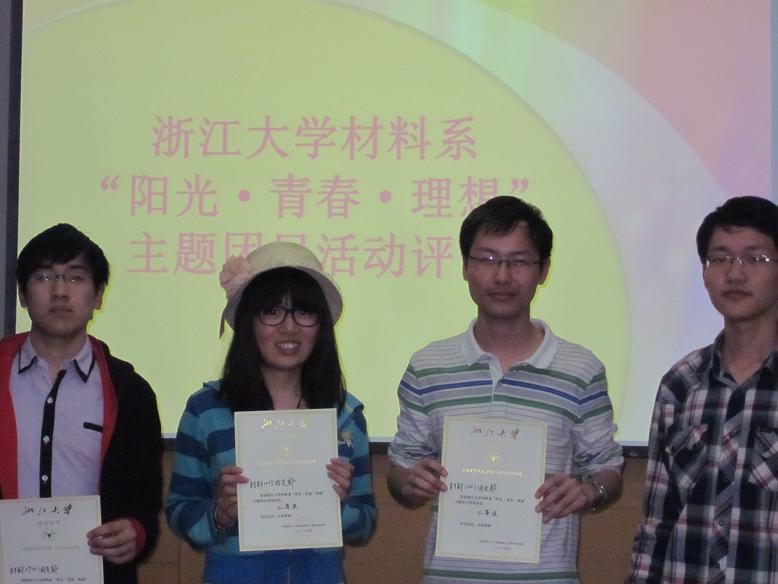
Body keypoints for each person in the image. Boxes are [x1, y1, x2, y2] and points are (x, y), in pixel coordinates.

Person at [387, 196, 624, 583]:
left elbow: (607, 468)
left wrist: (590, 491)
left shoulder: (580, 369)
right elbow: (400, 469)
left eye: (519, 261)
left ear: (543, 270)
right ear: (465, 267)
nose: (502, 276)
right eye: (487, 259)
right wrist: (410, 483)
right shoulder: (428, 366)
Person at [165, 241, 376, 584]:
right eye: (272, 311)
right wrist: (220, 515)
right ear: (248, 321)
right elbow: (179, 510)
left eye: (304, 311)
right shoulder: (206, 410)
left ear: (321, 325)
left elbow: (364, 525)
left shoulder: (346, 415)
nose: (289, 327)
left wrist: (339, 505)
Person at [0, 223, 163, 584]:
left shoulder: (131, 392)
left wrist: (135, 532)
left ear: (99, 294)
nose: (60, 291)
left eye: (75, 278)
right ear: (23, 294)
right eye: (44, 276)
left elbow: (145, 500)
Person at [627, 195, 778, 583]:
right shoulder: (681, 384)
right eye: (720, 258)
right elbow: (657, 523)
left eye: (755, 258)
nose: (735, 273)